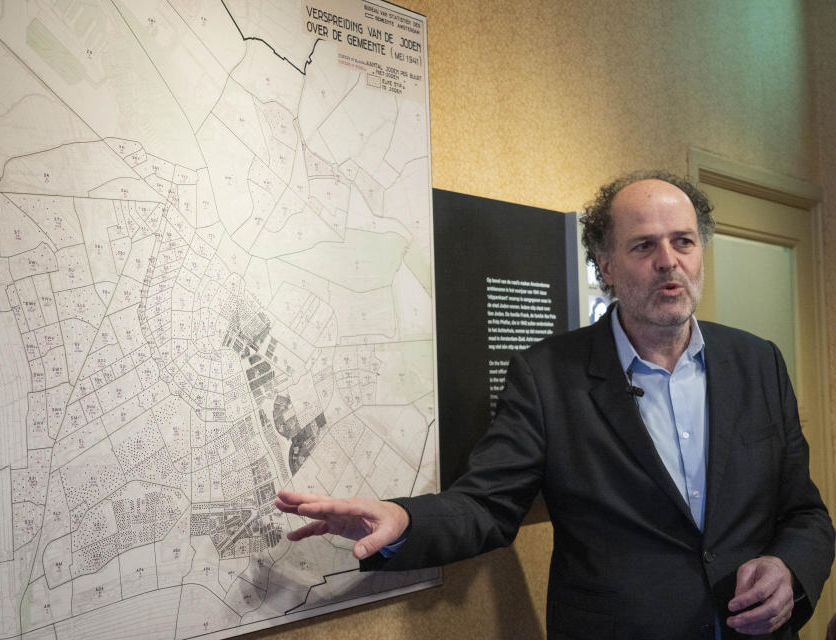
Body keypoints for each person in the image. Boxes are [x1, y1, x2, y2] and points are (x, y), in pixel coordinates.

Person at [275, 171, 834, 639]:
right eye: (644, 245)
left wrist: (791, 569)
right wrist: (403, 520)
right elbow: (486, 507)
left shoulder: (758, 362)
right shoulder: (547, 376)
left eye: (683, 241)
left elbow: (804, 514)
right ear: (605, 266)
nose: (669, 261)